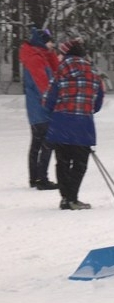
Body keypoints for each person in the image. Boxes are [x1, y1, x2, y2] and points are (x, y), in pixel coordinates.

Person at [42, 39, 105, 210]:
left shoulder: (59, 74)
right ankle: (72, 198)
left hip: (61, 125)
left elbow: (47, 101)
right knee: (79, 164)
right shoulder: (94, 76)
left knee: (62, 162)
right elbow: (97, 104)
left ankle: (65, 198)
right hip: (83, 126)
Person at [19, 27, 60, 190]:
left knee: (37, 143)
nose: (52, 44)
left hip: (36, 108)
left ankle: (34, 178)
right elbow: (43, 85)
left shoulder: (39, 56)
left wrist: (50, 54)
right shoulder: (35, 59)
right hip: (41, 108)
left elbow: (56, 70)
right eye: (49, 41)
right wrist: (52, 102)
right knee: (47, 142)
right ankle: (41, 178)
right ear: (42, 42)